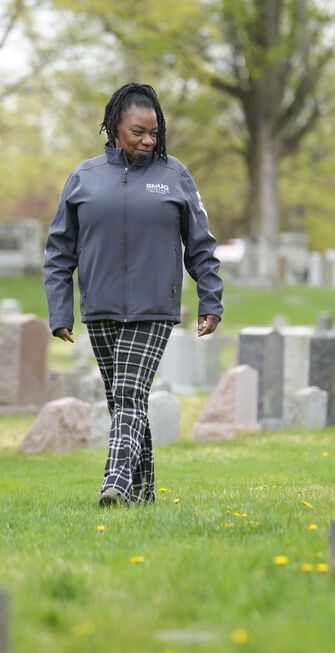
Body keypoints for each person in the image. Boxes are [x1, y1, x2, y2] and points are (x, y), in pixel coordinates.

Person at [43, 82, 223, 506]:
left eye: (154, 133)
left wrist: (210, 300)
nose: (147, 140)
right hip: (100, 309)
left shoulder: (174, 176)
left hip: (154, 308)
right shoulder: (83, 177)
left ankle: (115, 486)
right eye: (137, 131)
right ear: (114, 127)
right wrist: (60, 312)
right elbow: (58, 251)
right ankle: (143, 495)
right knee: (129, 400)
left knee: (126, 395)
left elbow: (201, 244)